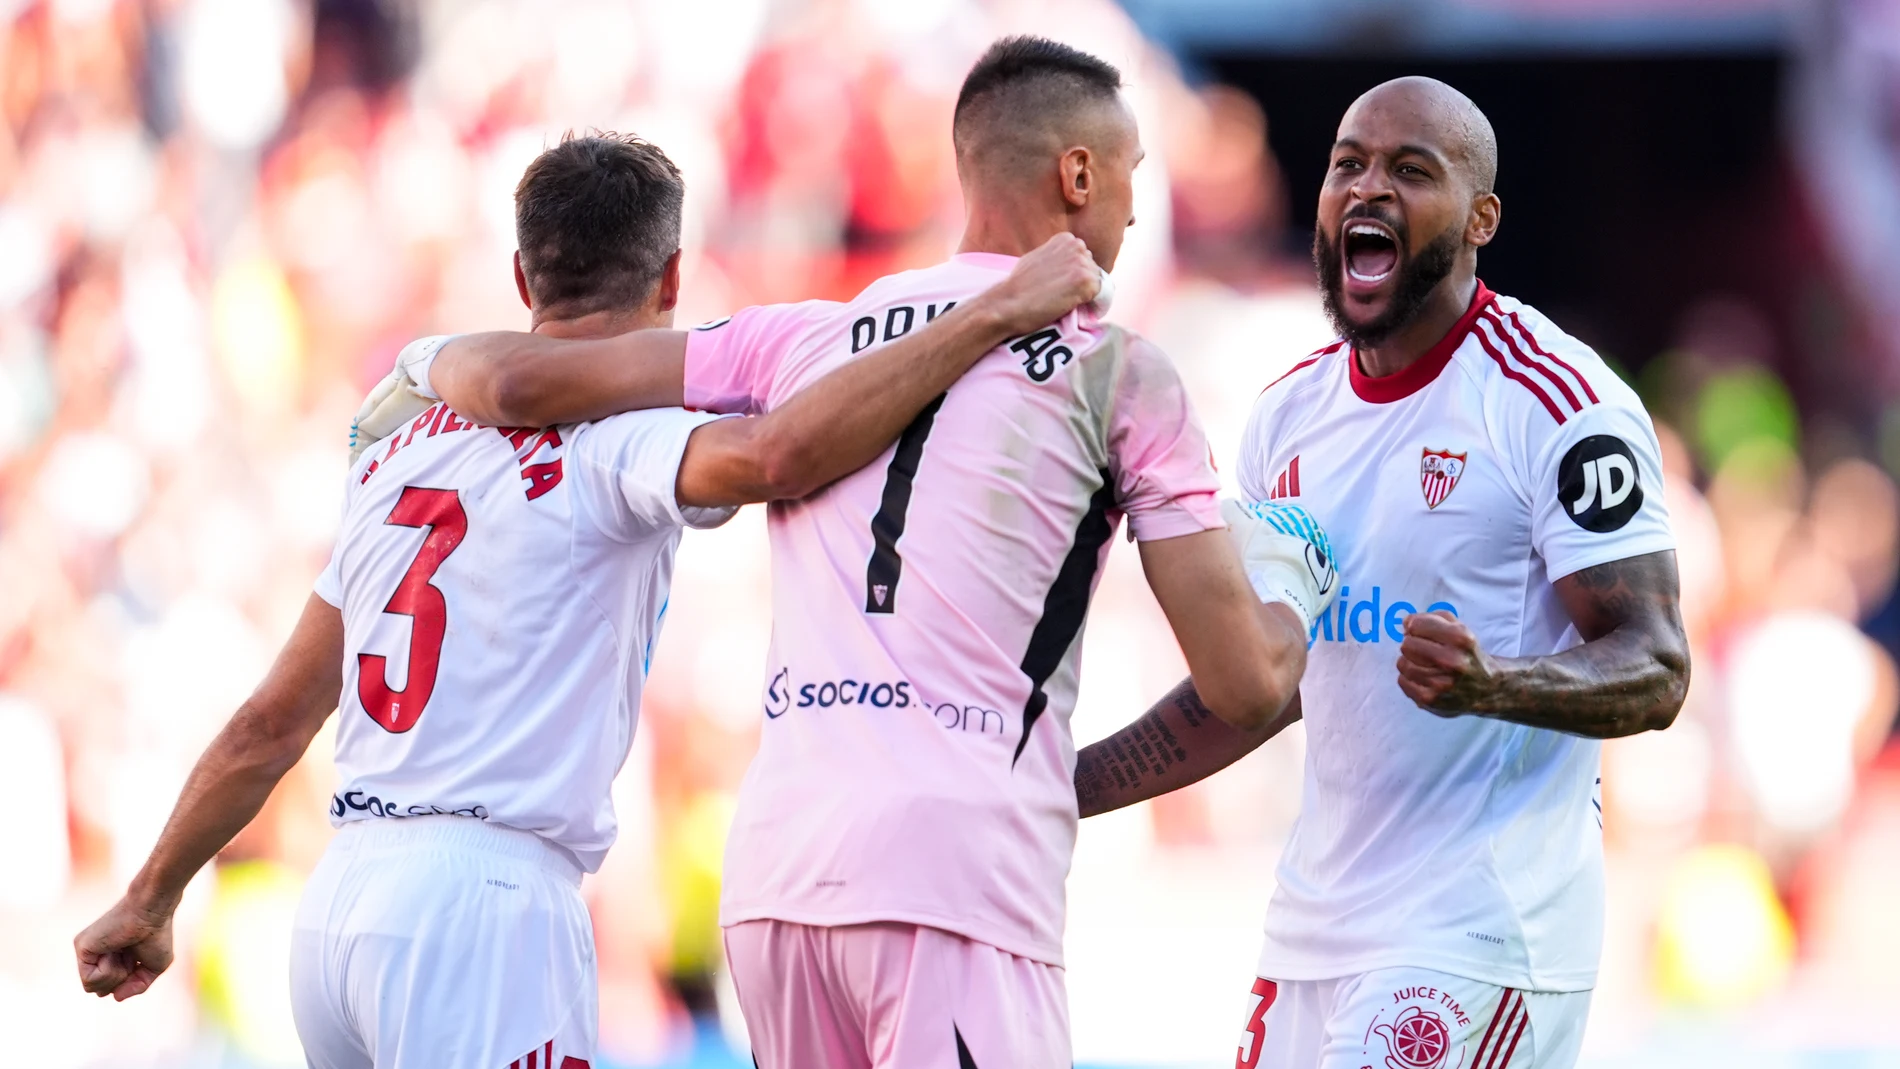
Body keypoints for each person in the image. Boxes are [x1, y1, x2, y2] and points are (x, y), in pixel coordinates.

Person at [71, 133, 1106, 1069]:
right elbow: (777, 454)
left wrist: (152, 893)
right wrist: (988, 319)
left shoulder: (396, 448)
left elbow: (270, 721)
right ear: (671, 278)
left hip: (340, 908)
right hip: (486, 909)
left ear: (522, 274)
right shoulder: (618, 439)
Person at [409, 37, 1335, 1069]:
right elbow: (1245, 683)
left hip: (774, 882)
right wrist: (1297, 585)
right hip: (958, 880)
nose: (1129, 207)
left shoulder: (789, 337)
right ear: (1078, 173)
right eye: (1129, 176)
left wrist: (420, 365)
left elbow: (531, 382)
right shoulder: (1121, 371)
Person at [1073, 77, 1691, 1069]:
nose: (1367, 189)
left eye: (1411, 170)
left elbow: (1656, 666)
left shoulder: (1556, 401)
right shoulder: (1286, 417)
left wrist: (1496, 684)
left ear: (1481, 217)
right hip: (1312, 934)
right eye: (1347, 164)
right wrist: (1061, 789)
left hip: (1477, 935)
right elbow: (1263, 687)